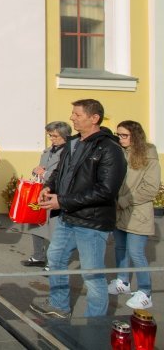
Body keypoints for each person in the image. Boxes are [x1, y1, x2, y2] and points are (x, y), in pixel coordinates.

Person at [30, 99, 126, 319]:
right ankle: (59, 306)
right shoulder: (73, 143)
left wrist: (63, 201)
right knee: (55, 258)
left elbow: (106, 190)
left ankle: (95, 323)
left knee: (92, 275)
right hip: (67, 217)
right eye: (72, 113)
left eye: (77, 114)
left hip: (92, 222)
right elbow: (59, 172)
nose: (72, 117)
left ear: (94, 118)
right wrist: (48, 186)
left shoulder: (110, 149)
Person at [108, 120, 161, 310]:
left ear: (135, 136)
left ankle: (145, 292)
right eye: (118, 135)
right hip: (119, 212)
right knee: (120, 248)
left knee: (136, 252)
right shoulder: (120, 152)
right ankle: (123, 281)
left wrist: (124, 201)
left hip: (138, 212)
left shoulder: (148, 154)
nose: (120, 138)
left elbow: (151, 187)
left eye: (124, 135)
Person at [21, 121, 72, 268]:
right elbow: (40, 170)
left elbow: (64, 175)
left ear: (64, 136)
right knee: (35, 223)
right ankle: (38, 256)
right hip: (41, 191)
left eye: (55, 136)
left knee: (54, 229)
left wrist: (45, 173)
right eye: (50, 135)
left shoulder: (68, 153)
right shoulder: (48, 151)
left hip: (56, 194)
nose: (52, 138)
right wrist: (36, 170)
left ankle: (53, 261)